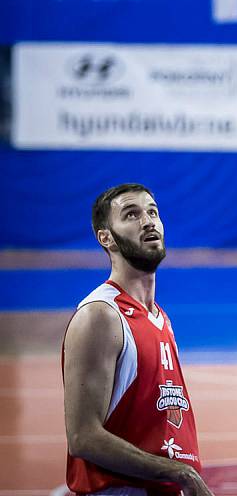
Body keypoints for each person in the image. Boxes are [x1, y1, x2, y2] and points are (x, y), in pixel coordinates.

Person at [62, 182, 214, 496]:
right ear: (106, 238)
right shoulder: (101, 315)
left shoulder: (160, 317)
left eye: (152, 212)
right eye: (131, 214)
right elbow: (83, 437)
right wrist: (181, 473)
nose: (147, 221)